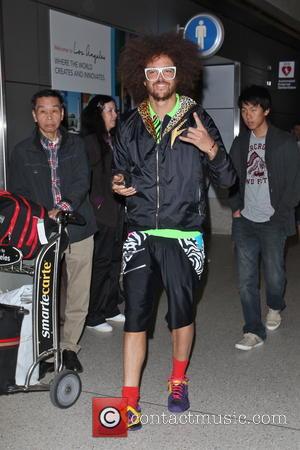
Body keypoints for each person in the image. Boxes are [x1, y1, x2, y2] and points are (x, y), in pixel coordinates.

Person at [112, 32, 236, 430]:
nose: (161, 77)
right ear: (142, 77)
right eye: (153, 72)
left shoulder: (197, 117)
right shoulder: (130, 125)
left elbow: (230, 180)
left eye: (167, 70)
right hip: (141, 233)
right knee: (135, 318)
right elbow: (122, 174)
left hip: (185, 235)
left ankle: (178, 381)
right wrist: (119, 185)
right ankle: (129, 400)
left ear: (178, 75)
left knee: (182, 316)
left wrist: (212, 150)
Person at [9, 89, 97, 372]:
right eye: (43, 111)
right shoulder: (22, 151)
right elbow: (19, 193)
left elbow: (83, 180)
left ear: (62, 113)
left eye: (54, 110)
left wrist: (65, 205)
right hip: (43, 231)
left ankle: (69, 346)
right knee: (42, 292)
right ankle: (44, 349)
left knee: (78, 291)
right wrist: (42, 214)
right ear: (35, 116)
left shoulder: (77, 145)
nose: (49, 116)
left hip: (79, 228)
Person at [229, 85, 300, 351]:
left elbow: (295, 183)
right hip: (245, 221)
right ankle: (252, 330)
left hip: (273, 221)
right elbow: (232, 178)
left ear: (266, 110)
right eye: (244, 110)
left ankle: (275, 305)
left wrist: (281, 214)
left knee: (274, 274)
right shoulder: (240, 143)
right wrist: (236, 206)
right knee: (246, 280)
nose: (248, 115)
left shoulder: (284, 142)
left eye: (254, 109)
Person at [81, 95, 125, 333]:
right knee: (100, 263)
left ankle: (110, 307)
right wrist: (96, 202)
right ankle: (93, 314)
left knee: (114, 261)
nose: (115, 114)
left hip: (116, 209)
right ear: (98, 114)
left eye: (114, 110)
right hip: (101, 212)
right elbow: (87, 179)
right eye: (110, 111)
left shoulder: (112, 139)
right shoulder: (89, 142)